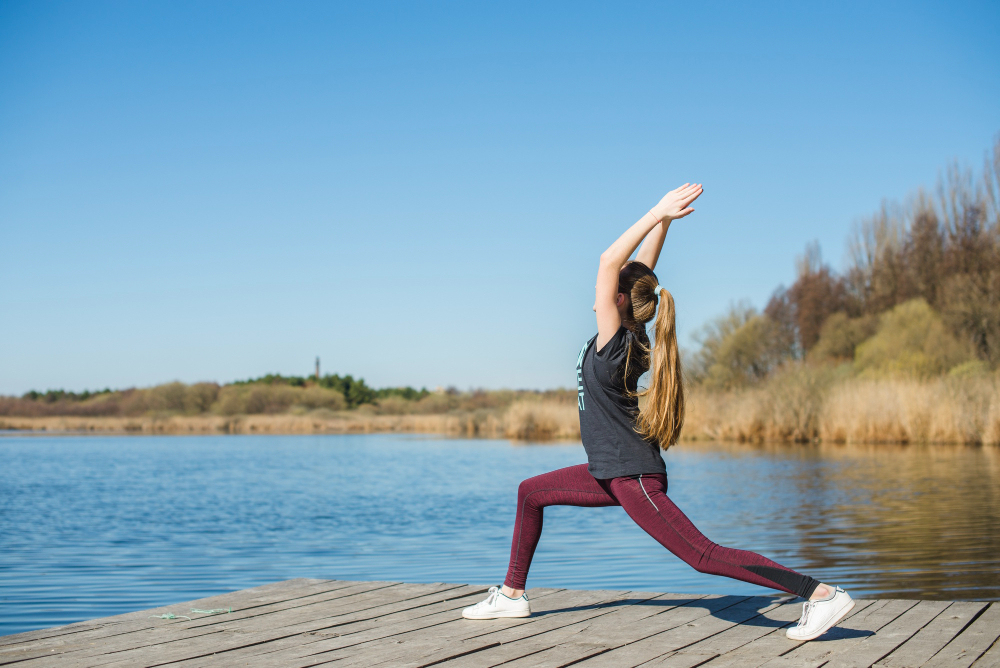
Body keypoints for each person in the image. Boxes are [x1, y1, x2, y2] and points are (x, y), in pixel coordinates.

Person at [461, 184, 854, 642]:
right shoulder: (634, 334)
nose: (597, 290)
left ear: (620, 300)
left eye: (608, 289)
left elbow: (611, 262)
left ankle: (821, 594)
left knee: (702, 555)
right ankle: (512, 595)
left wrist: (654, 212)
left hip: (632, 477)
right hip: (608, 470)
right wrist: (664, 224)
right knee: (531, 492)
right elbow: (638, 274)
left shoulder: (614, 344)